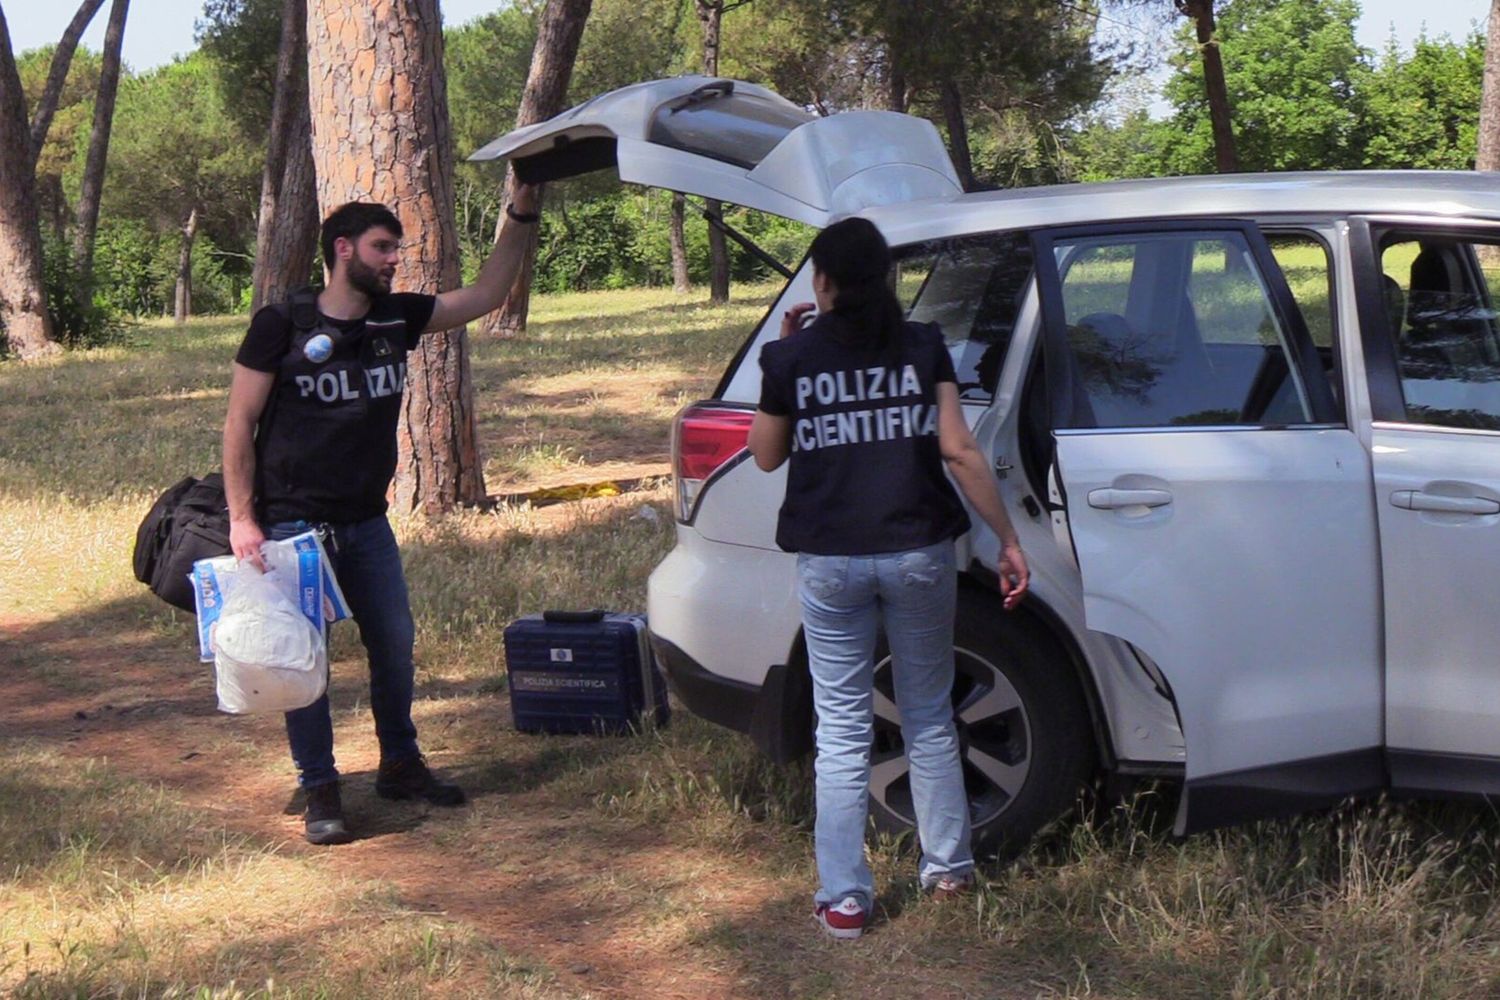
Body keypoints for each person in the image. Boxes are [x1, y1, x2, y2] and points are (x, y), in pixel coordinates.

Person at [222, 186, 542, 845]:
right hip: (292, 527)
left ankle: (400, 762)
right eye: (382, 247)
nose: (395, 259)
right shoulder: (282, 323)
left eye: (396, 248)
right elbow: (239, 423)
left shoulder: (395, 318)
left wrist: (520, 211)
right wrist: (242, 519)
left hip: (368, 523)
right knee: (301, 658)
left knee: (393, 646)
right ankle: (320, 787)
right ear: (344, 250)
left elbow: (484, 295)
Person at [747, 217, 1030, 940]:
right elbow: (962, 452)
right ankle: (948, 869)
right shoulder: (922, 345)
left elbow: (766, 457)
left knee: (841, 729)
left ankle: (845, 898)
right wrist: (1006, 537)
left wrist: (782, 363)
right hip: (918, 553)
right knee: (929, 712)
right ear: (888, 278)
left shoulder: (794, 359)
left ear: (823, 283)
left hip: (832, 563)